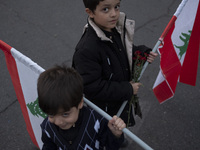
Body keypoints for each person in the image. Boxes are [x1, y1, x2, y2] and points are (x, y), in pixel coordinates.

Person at [72, 0, 158, 126]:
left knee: (119, 129)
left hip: (118, 103)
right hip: (105, 111)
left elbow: (124, 52)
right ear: (90, 12)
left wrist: (142, 53)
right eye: (105, 9)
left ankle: (118, 137)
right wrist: (127, 88)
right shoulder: (87, 49)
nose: (114, 14)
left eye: (116, 7)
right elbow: (91, 87)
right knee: (108, 136)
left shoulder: (113, 30)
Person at [37, 65, 126, 150]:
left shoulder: (97, 121)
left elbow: (110, 146)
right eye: (51, 115)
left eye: (65, 114)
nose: (58, 122)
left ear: (80, 103)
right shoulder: (47, 127)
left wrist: (115, 135)